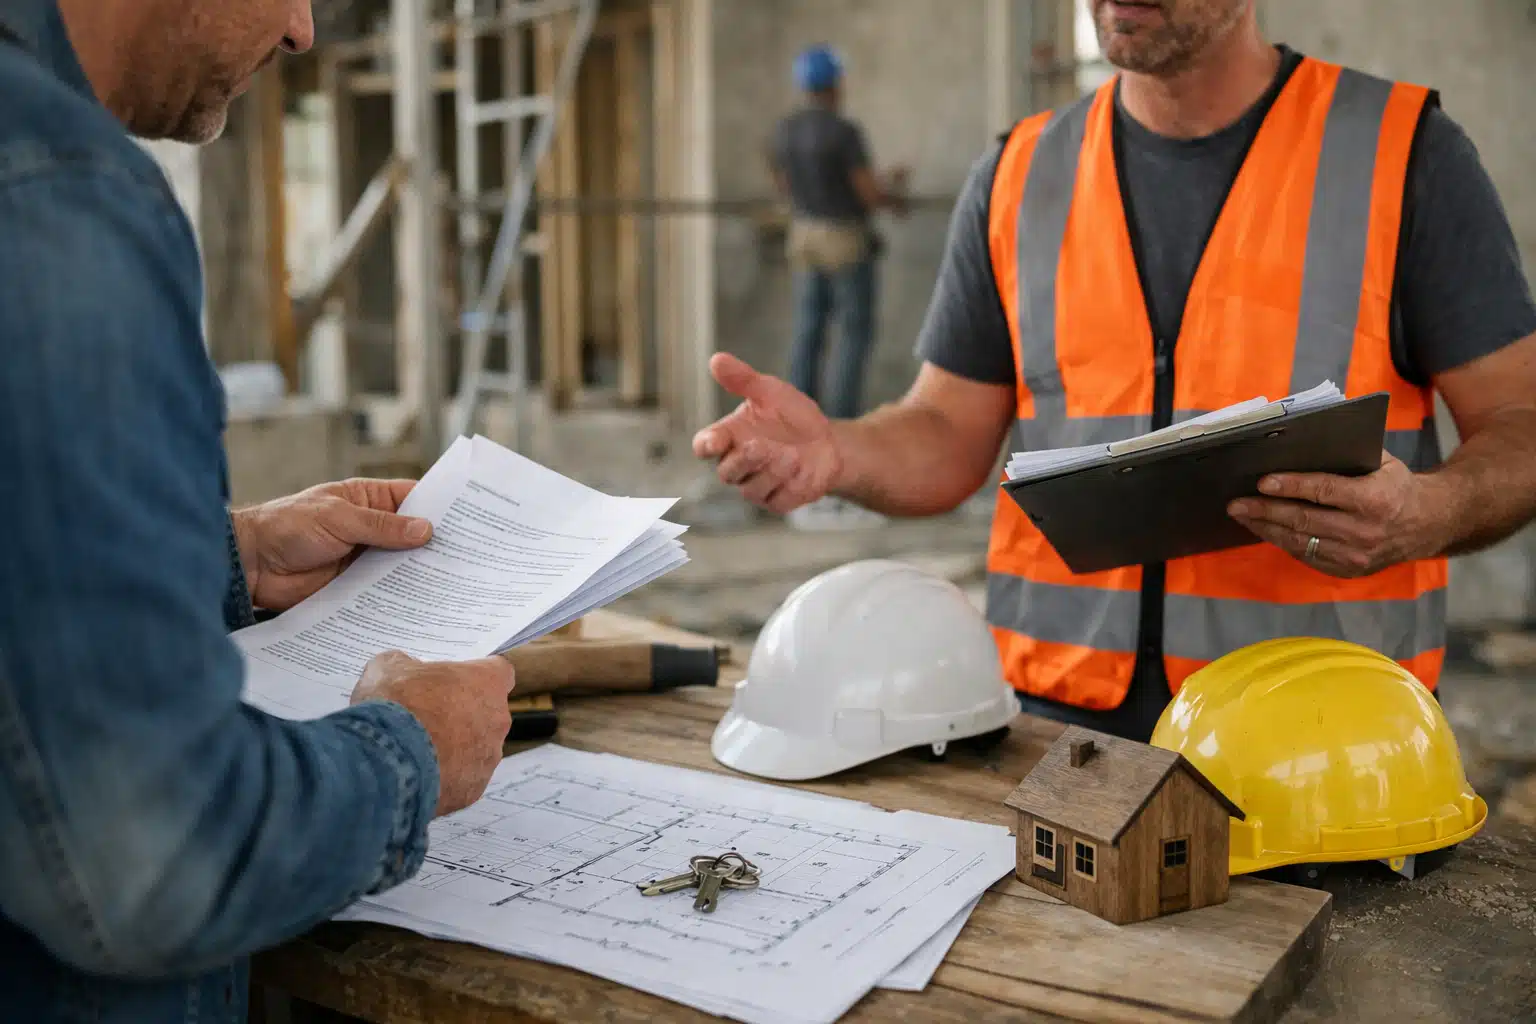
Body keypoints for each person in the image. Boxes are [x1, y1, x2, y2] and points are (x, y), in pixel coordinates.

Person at [696, 0, 1536, 742]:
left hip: (1321, 751)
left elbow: (1520, 425)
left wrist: (1427, 511)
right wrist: (836, 455)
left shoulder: (1403, 154)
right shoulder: (1021, 175)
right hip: (1053, 732)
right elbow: (948, 432)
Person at [0, 1, 517, 1020]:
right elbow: (157, 853)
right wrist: (410, 752)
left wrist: (224, 556)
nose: (302, 31)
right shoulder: (58, 203)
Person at [766, 44, 908, 530]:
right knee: (852, 337)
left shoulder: (786, 130)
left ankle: (796, 431)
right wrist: (891, 194)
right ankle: (838, 436)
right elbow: (867, 192)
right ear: (835, 83)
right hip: (844, 238)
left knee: (808, 334)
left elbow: (784, 185)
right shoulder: (843, 132)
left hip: (804, 234)